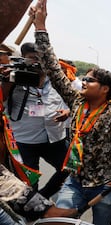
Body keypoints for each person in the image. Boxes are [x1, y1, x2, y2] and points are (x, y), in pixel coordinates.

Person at [30, 0, 111, 224]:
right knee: (59, 222)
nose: (84, 82)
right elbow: (52, 66)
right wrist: (40, 28)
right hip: (74, 182)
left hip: (105, 188)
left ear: (105, 89)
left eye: (90, 80)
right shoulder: (76, 102)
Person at [2, 40, 70, 199]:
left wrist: (67, 112)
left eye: (41, 58)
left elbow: (73, 101)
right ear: (24, 58)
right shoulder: (14, 78)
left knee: (69, 168)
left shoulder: (57, 80)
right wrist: (7, 81)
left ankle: (43, 197)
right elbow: (3, 98)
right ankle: (31, 212)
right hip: (25, 141)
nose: (37, 62)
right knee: (28, 182)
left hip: (54, 138)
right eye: (33, 58)